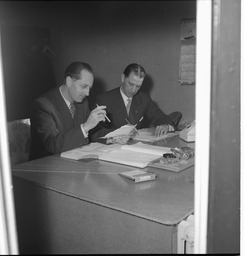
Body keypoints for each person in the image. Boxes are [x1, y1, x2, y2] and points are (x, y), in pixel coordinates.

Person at [29, 61, 108, 160]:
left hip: (73, 159)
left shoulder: (82, 102)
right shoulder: (43, 105)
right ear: (69, 81)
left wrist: (113, 137)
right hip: (46, 166)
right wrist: (86, 126)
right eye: (84, 86)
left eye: (89, 88)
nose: (87, 93)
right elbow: (53, 145)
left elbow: (92, 132)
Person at [90, 63, 182, 141]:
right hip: (112, 148)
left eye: (138, 86)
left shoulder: (143, 98)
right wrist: (117, 135)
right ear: (123, 78)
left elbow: (160, 117)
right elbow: (95, 132)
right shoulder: (104, 99)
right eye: (130, 84)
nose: (133, 90)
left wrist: (165, 125)